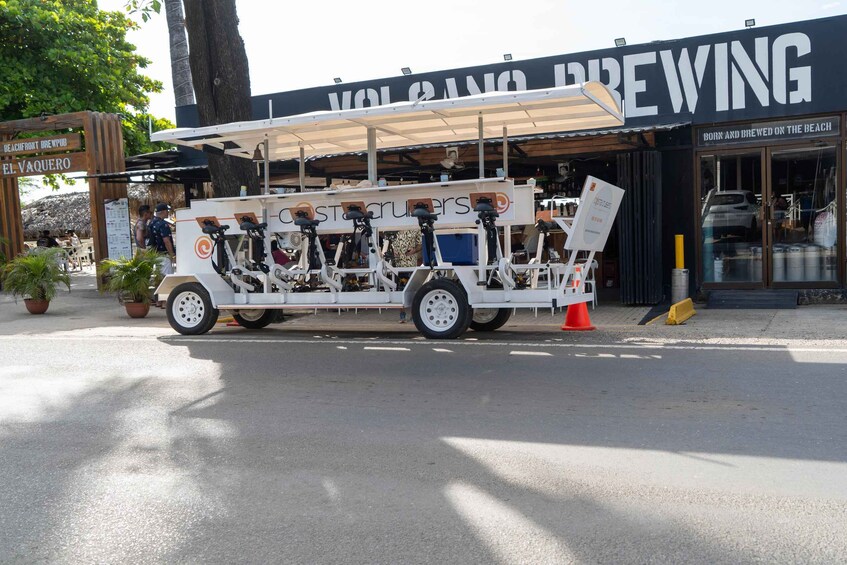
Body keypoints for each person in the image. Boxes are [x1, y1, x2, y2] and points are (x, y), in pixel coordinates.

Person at [390, 229, 422, 322]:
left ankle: (414, 314)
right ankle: (402, 315)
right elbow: (390, 242)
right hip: (398, 265)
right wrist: (393, 251)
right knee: (400, 289)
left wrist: (414, 250)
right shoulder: (394, 229)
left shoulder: (415, 228)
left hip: (410, 264)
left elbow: (420, 244)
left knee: (413, 289)